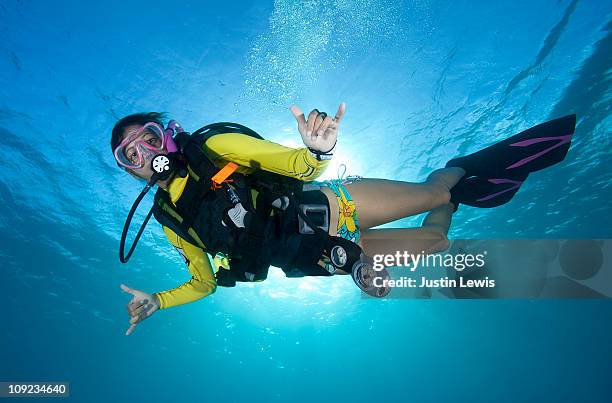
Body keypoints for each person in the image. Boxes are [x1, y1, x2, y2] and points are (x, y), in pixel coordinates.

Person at [112, 103, 576, 335]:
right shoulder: (169, 216)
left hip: (336, 206)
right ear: (130, 170)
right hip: (324, 255)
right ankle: (457, 197)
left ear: (167, 135)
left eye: (148, 138)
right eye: (129, 155)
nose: (144, 154)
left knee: (432, 191)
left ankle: (452, 173)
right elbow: (205, 282)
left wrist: (318, 148)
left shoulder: (212, 149)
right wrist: (159, 300)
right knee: (436, 243)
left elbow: (300, 166)